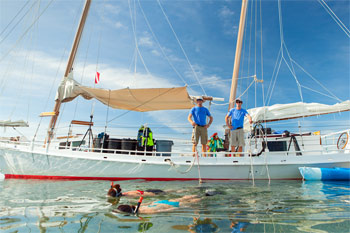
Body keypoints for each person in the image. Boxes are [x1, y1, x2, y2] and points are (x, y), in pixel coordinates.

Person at [115, 195, 201, 214]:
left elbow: (162, 210)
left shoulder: (144, 212)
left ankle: (203, 197)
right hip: (159, 202)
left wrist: (174, 209)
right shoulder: (136, 206)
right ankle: (200, 195)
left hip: (166, 206)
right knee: (182, 199)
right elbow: (149, 203)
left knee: (187, 203)